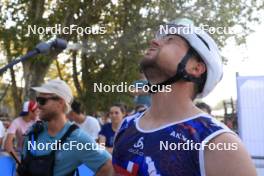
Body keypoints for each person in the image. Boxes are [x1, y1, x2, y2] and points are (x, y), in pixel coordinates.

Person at [112, 18, 257, 175]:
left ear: (195, 68)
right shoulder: (126, 125)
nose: (153, 41)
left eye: (170, 40)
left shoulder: (218, 143)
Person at [19, 79, 113, 176]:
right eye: (37, 100)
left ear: (60, 103)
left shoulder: (77, 138)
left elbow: (108, 165)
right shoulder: (34, 132)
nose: (37, 105)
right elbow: (22, 167)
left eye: (42, 101)